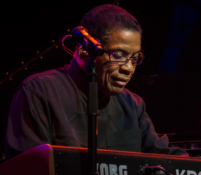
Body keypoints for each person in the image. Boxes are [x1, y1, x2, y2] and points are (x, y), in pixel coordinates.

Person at [5, 4, 189, 160]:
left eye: (134, 58)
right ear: (84, 51)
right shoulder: (39, 92)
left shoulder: (133, 104)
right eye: (118, 55)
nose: (129, 68)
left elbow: (164, 156)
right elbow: (26, 171)